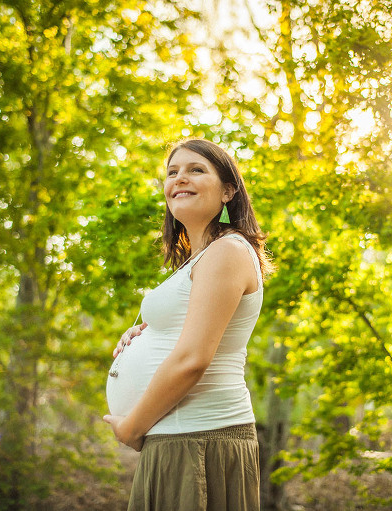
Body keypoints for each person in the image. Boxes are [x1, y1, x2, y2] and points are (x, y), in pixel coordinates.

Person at [103, 138, 273, 511]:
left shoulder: (227, 250)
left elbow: (193, 359)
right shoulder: (200, 259)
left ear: (229, 190)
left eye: (197, 170)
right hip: (180, 438)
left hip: (198, 439)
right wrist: (143, 338)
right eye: (172, 172)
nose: (180, 178)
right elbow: (186, 335)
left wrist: (131, 427)